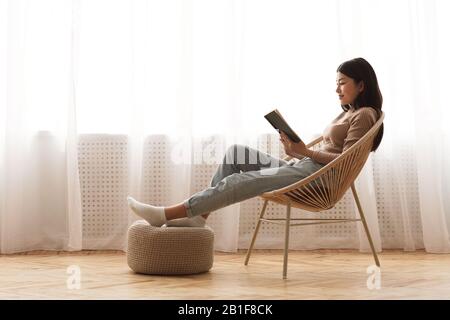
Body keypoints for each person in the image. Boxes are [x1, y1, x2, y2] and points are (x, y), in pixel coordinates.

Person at [127, 57, 384, 228]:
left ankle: (166, 214)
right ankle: (198, 218)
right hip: (306, 168)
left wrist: (304, 152)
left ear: (361, 85)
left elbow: (345, 160)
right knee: (237, 154)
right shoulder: (347, 111)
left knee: (238, 181)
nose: (337, 89)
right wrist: (295, 152)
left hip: (318, 180)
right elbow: (327, 153)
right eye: (336, 84)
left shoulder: (364, 114)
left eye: (342, 83)